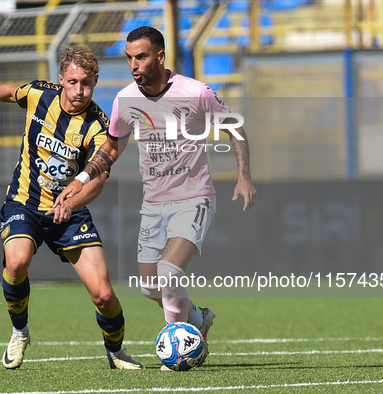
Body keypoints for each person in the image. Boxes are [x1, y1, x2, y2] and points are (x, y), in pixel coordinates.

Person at [56, 26, 257, 369]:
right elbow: (112, 148)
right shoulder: (124, 100)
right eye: (130, 58)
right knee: (151, 288)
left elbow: (233, 127)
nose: (134, 64)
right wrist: (83, 176)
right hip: (153, 204)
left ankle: (178, 348)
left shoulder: (195, 92)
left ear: (160, 56)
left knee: (168, 272)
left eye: (142, 56)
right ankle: (197, 318)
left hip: (194, 198)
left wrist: (244, 175)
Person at [0, 45, 144, 370]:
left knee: (103, 294)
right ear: (61, 79)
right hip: (24, 202)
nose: (79, 90)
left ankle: (116, 353)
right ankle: (20, 331)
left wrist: (72, 202)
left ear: (96, 81)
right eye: (72, 82)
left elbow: (98, 180)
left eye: (86, 83)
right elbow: (11, 92)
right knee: (16, 263)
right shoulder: (39, 95)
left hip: (70, 212)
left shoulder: (99, 127)